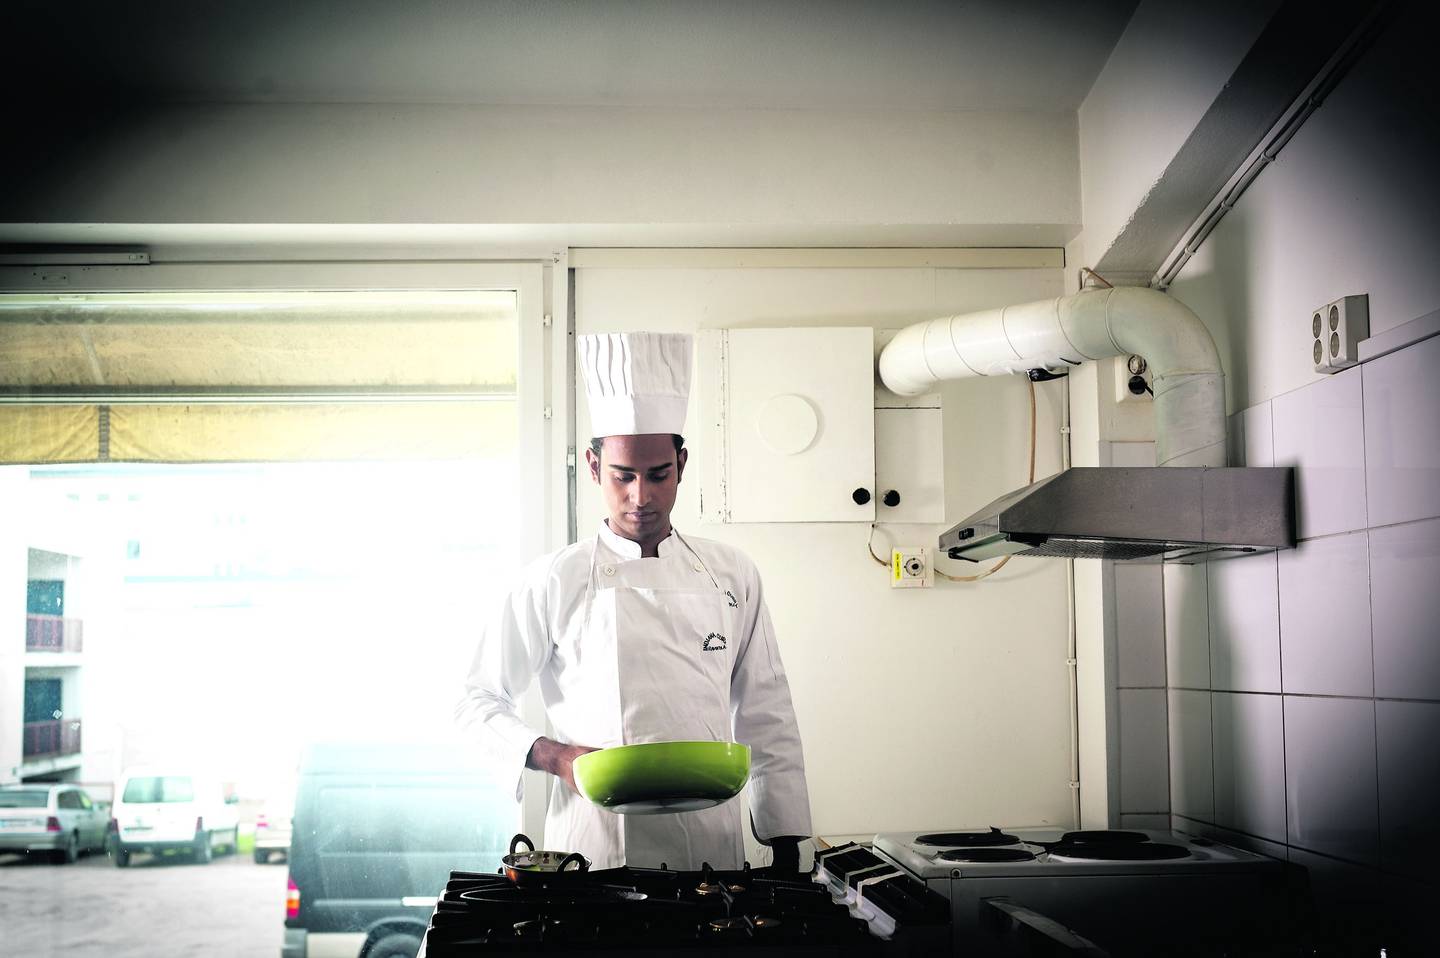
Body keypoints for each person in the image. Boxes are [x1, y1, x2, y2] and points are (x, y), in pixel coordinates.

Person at [456, 331, 811, 872]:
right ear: (594, 467)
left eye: (658, 475)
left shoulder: (731, 573)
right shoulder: (553, 580)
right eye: (622, 476)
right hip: (592, 852)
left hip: (710, 854)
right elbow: (475, 700)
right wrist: (557, 757)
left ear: (682, 465)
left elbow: (767, 710)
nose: (640, 496)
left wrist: (786, 847)